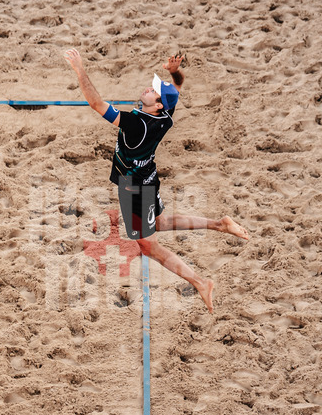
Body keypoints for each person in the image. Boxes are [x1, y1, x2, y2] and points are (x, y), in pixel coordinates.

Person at [64, 48, 249, 313]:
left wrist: (80, 69)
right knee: (160, 222)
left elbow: (95, 103)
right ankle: (219, 224)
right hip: (149, 179)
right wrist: (173, 72)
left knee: (148, 246)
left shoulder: (135, 124)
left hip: (134, 189)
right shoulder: (164, 115)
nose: (148, 89)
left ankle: (200, 282)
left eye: (153, 91)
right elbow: (178, 86)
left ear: (158, 104)